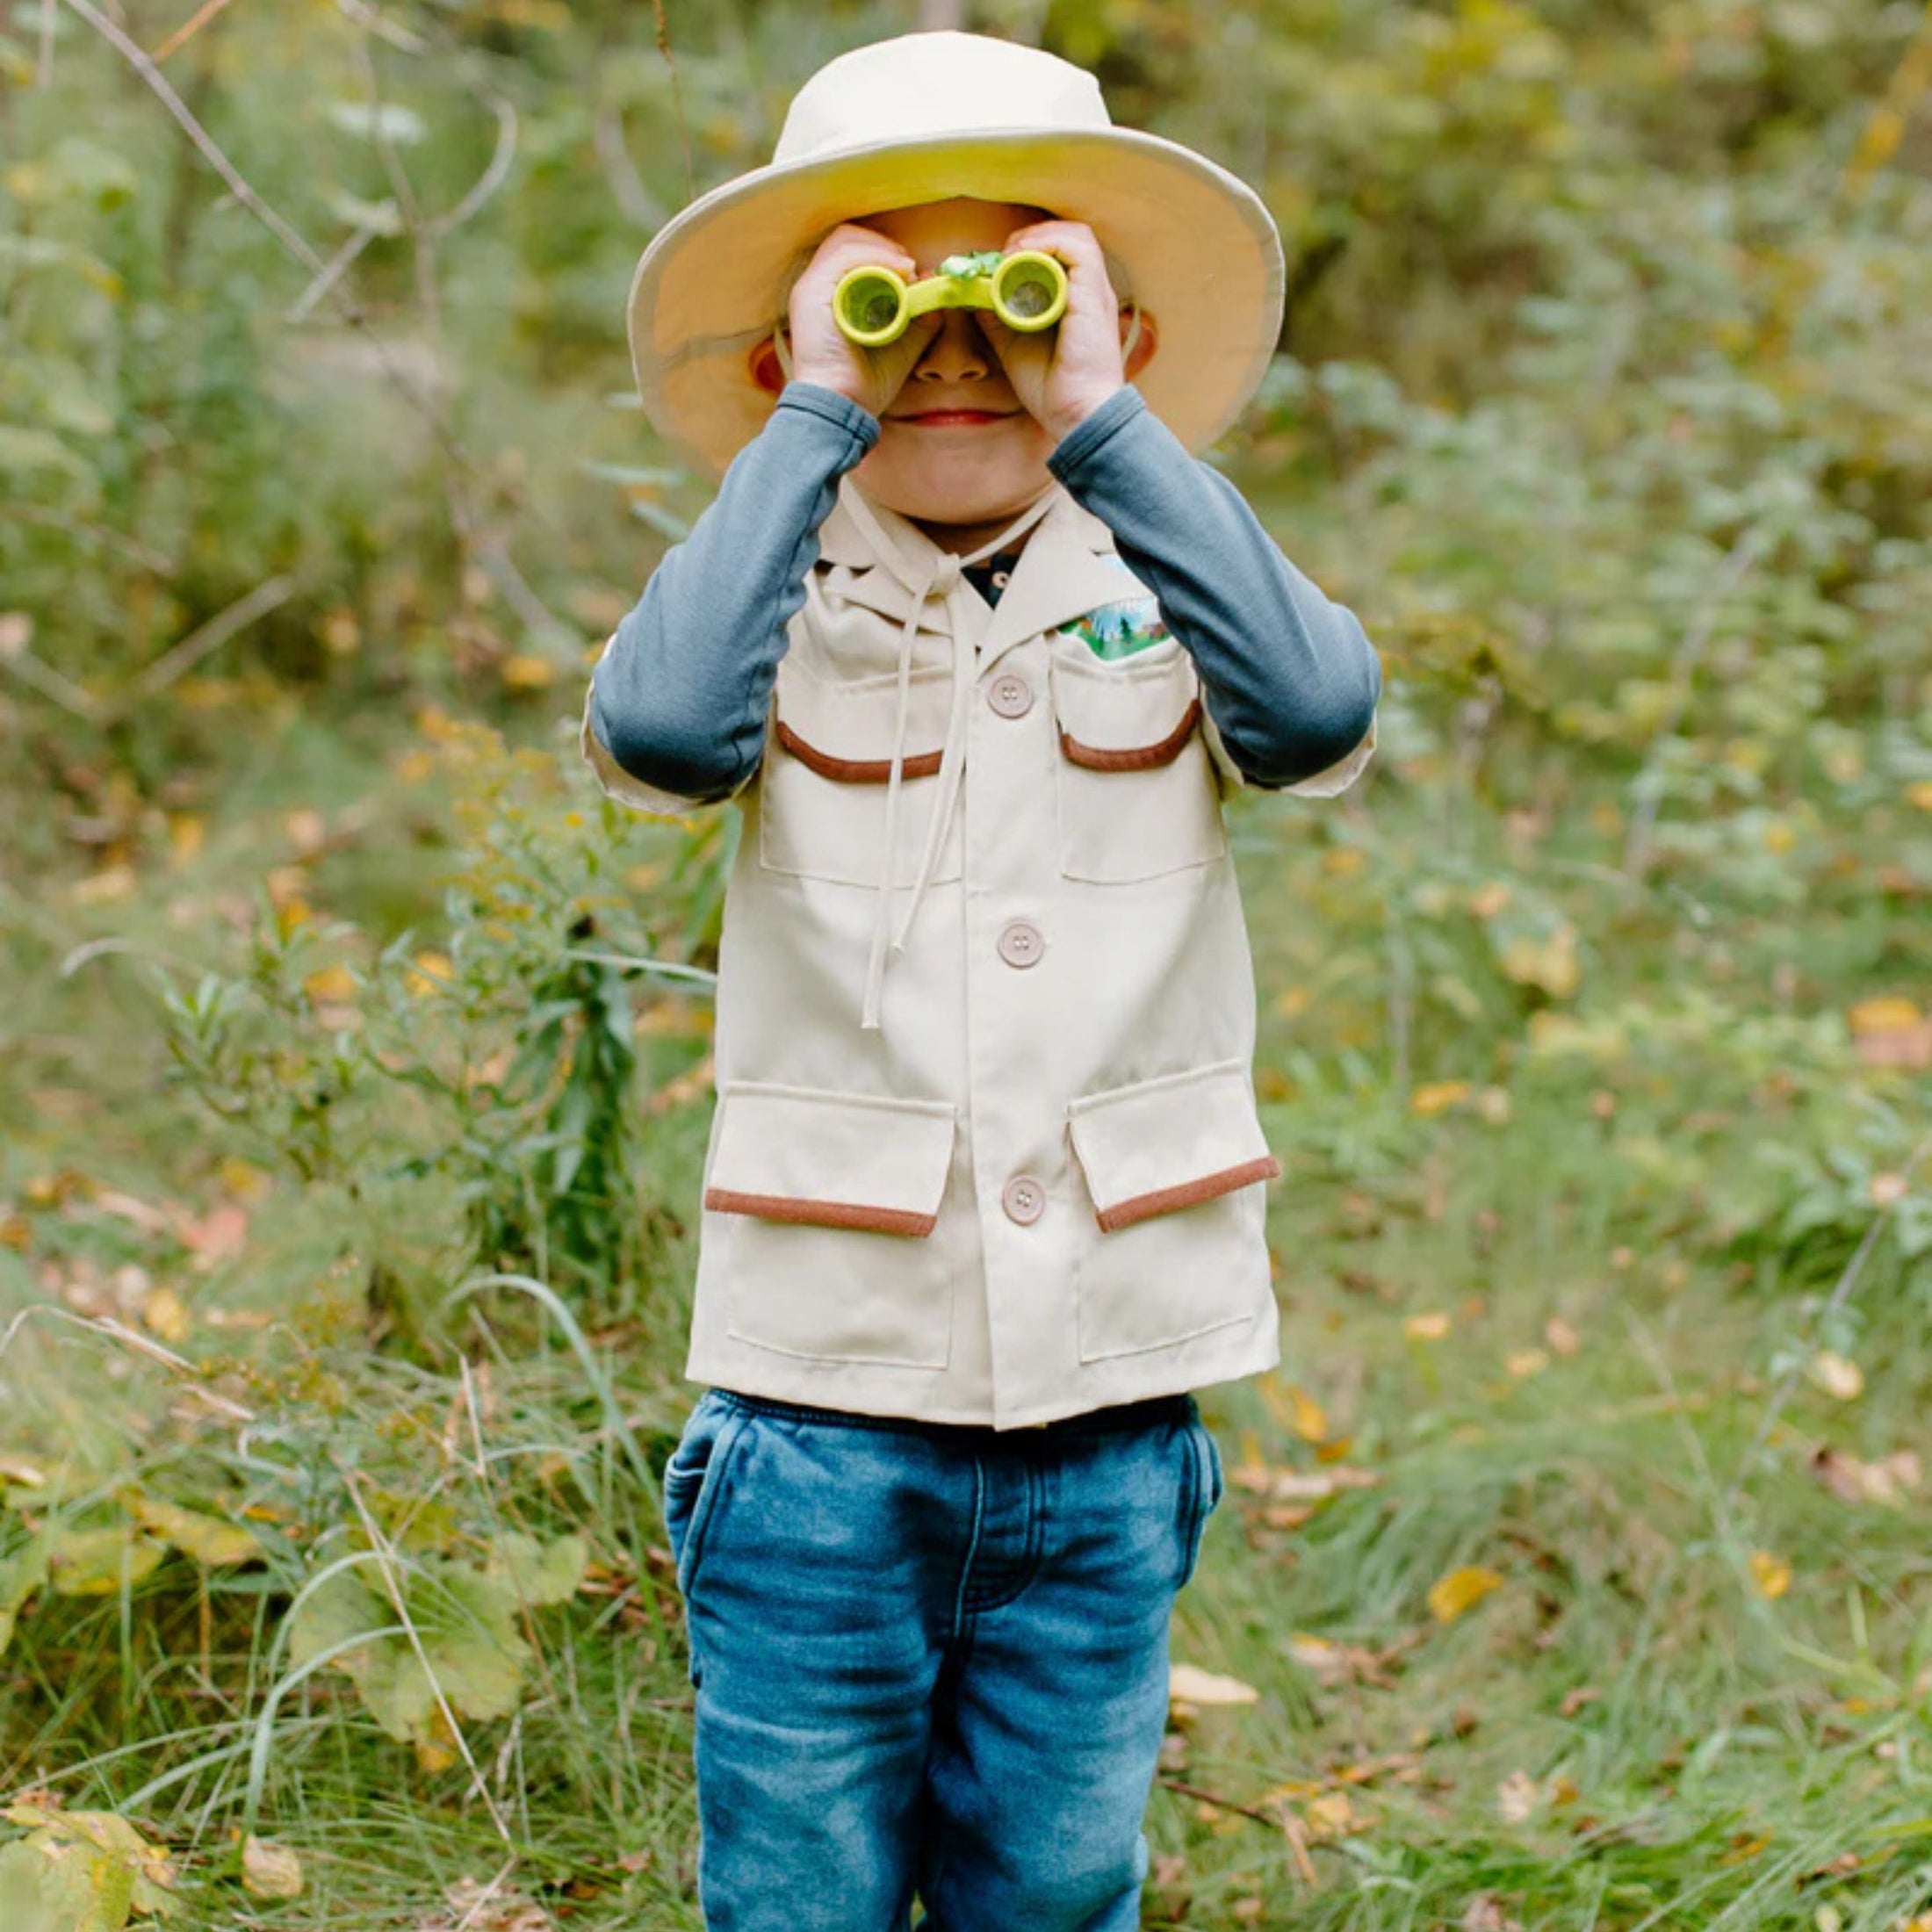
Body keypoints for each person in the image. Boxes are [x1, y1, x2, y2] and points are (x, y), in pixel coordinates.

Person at [580, 28, 1381, 1931]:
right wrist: (815, 420)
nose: (954, 354)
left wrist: (1098, 412)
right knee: (798, 1890)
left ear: (1119, 336)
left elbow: (1315, 711)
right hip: (819, 1398)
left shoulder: (1165, 573)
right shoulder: (778, 587)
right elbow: (664, 731)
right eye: (887, 310)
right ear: (789, 354)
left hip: (1108, 1393)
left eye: (1013, 301)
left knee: (1057, 1882)